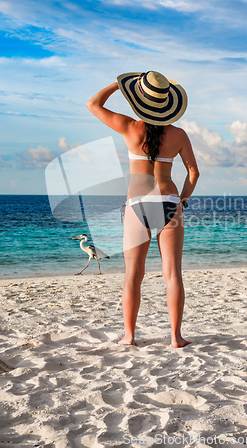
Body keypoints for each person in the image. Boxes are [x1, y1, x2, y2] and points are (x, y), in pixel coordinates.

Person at [86, 71, 199, 347]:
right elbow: (193, 172)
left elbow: (93, 104)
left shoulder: (129, 126)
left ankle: (129, 335)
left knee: (133, 274)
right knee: (172, 273)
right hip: (170, 203)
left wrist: (121, 85)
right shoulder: (179, 134)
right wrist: (182, 200)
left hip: (137, 205)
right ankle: (175, 337)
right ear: (166, 104)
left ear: (140, 101)